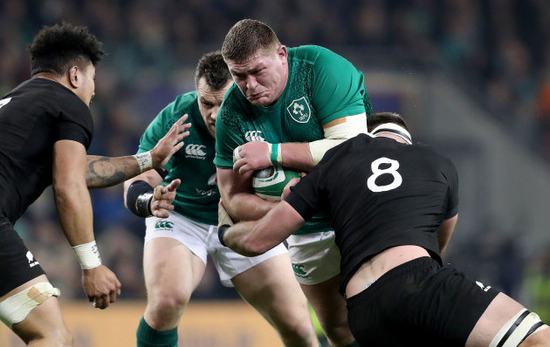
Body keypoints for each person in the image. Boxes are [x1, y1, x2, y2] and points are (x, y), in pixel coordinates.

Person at [218, 112, 550, 346]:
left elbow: (259, 239)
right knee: (537, 339)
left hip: (363, 313)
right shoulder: (435, 162)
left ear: (363, 136)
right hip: (417, 282)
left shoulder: (334, 161)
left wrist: (224, 229)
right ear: (406, 140)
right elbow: (439, 245)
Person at [0, 22, 190, 346]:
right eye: (92, 78)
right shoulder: (69, 103)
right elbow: (68, 185)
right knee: (52, 335)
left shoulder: (19, 106)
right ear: (75, 75)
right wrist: (92, 266)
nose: (93, 90)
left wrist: (148, 160)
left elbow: (80, 169)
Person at [123, 51, 319, 347]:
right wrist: (149, 200)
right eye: (206, 103)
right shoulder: (178, 117)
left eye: (222, 103)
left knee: (298, 326)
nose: (214, 114)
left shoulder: (267, 115)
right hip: (182, 218)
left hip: (246, 219)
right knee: (166, 302)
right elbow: (139, 176)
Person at [214, 18, 371, 347]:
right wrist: (288, 205)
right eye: (239, 75)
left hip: (361, 206)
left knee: (386, 312)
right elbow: (231, 198)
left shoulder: (320, 68)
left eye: (258, 71)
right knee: (338, 329)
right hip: (305, 227)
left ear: (282, 54)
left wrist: (272, 153)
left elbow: (352, 150)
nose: (250, 85)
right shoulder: (231, 112)